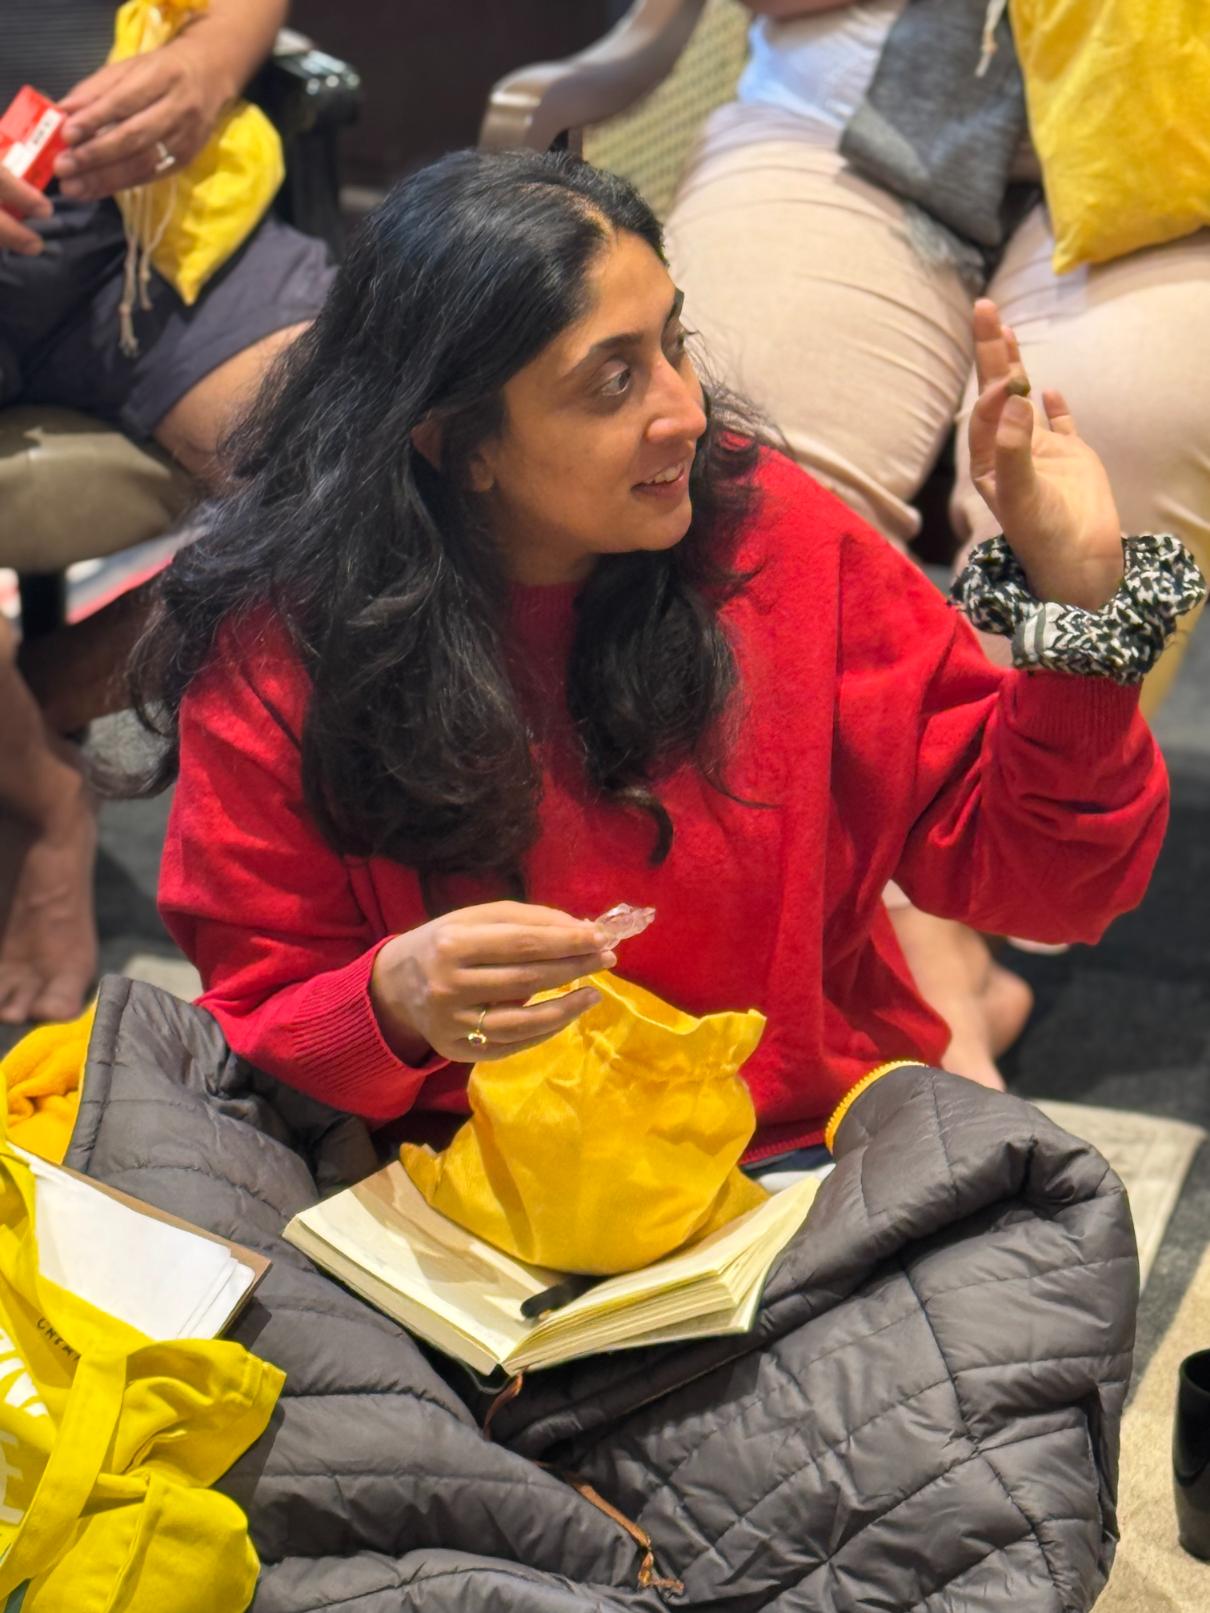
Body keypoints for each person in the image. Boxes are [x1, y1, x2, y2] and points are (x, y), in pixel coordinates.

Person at [126, 149, 1189, 1148]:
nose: (686, 411)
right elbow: (263, 1014)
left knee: (1053, 1242)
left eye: (673, 344)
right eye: (612, 382)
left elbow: (1055, 888)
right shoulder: (288, 632)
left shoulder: (777, 538)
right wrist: (391, 1002)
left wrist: (1080, 601)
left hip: (791, 1161)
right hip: (456, 1186)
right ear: (457, 442)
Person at [662, 0, 1210, 1086]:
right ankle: (836, 918)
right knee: (733, 442)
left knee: (1124, 431)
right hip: (839, 116)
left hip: (1177, 160)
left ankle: (962, 912)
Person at [0, 0, 336, 1025]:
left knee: (376, 463)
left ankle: (49, 693)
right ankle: (42, 802)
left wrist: (210, 61)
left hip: (151, 244)